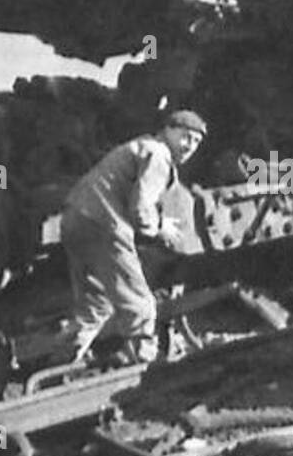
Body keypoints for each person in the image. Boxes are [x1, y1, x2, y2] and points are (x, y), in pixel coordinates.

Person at [60, 109, 207, 366]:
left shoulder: (141, 146)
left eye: (195, 142)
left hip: (76, 218)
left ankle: (59, 364)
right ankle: (146, 369)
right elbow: (141, 208)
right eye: (185, 137)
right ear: (168, 130)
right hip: (104, 224)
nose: (189, 146)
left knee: (96, 305)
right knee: (140, 304)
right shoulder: (158, 155)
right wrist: (160, 227)